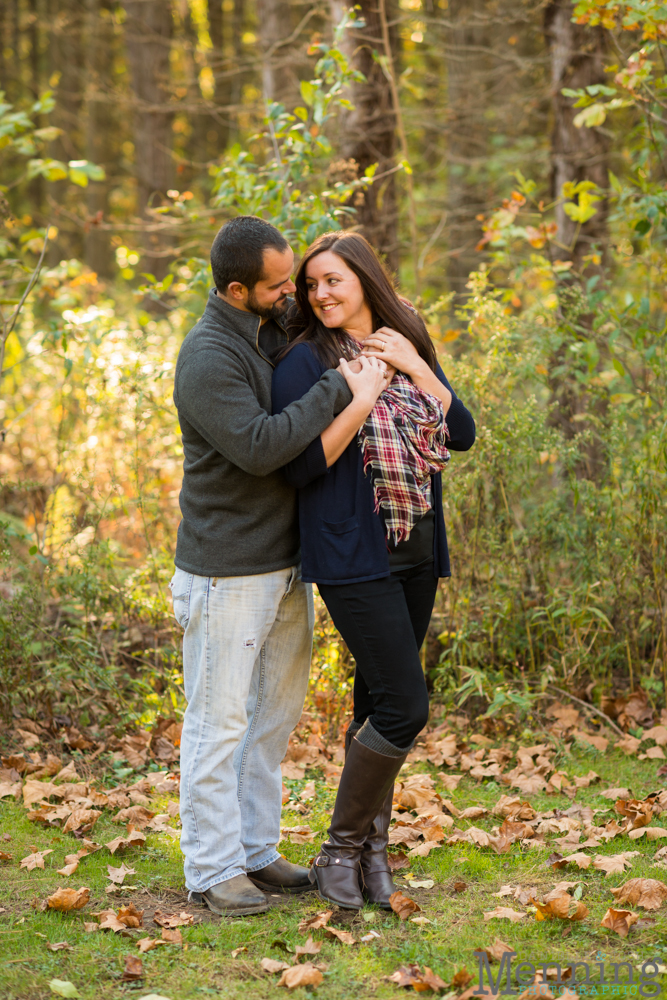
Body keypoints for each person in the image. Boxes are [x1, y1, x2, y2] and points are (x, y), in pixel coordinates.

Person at [171, 216, 390, 916]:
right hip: (226, 571)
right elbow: (262, 447)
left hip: (283, 562)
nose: (291, 293)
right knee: (218, 721)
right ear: (238, 290)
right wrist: (337, 387)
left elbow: (339, 300)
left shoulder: (267, 328)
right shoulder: (208, 355)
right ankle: (211, 869)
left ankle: (256, 852)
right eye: (277, 285)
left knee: (271, 719)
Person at [272, 231, 475, 910]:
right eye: (311, 284)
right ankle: (337, 850)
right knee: (406, 704)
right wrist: (355, 396)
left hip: (416, 549)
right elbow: (299, 467)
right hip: (349, 553)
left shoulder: (404, 333)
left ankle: (369, 858)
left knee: (376, 703)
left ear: (363, 279)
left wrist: (415, 364)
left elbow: (461, 431)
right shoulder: (303, 361)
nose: (321, 293)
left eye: (334, 280)